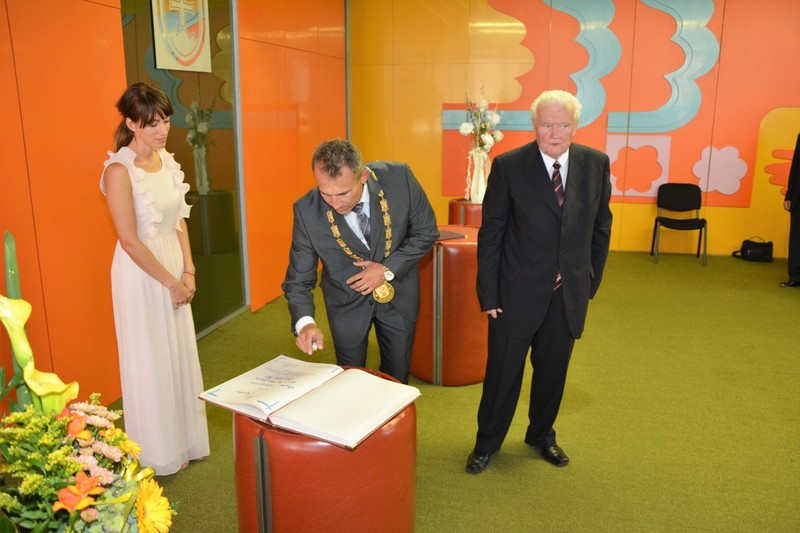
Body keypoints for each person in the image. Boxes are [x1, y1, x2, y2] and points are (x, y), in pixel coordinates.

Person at [465, 90, 612, 474]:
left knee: (552, 373)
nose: (555, 133)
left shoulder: (596, 164)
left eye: (563, 124)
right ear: (535, 125)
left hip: (567, 294)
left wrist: (589, 282)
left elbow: (601, 226)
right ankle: (487, 443)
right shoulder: (510, 166)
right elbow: (492, 234)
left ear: (575, 125)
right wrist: (489, 293)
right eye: (547, 124)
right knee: (502, 376)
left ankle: (542, 435)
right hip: (514, 294)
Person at [101, 82, 210, 475]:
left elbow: (179, 220)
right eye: (152, 123)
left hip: (172, 265)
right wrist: (171, 282)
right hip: (142, 273)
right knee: (150, 359)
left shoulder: (167, 159)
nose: (162, 130)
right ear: (132, 124)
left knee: (177, 354)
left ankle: (184, 442)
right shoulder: (118, 170)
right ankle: (158, 452)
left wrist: (189, 270)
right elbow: (129, 241)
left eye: (165, 120)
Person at [282, 139, 439, 383]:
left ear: (363, 176)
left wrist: (386, 269)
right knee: (350, 380)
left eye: (344, 193)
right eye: (326, 193)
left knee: (397, 379)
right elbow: (298, 280)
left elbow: (426, 232)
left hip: (399, 296)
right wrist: (305, 324)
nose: (336, 203)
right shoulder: (306, 211)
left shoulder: (400, 179)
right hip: (346, 303)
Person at [781, 133, 800, 288]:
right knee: (796, 237)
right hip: (798, 197)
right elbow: (795, 167)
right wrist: (789, 195)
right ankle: (795, 276)